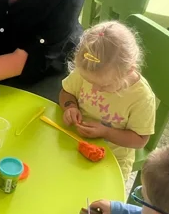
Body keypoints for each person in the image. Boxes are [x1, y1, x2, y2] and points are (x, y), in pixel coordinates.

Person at [59, 21, 156, 179]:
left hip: (112, 160)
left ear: (128, 71)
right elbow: (67, 92)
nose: (95, 89)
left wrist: (106, 132)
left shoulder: (141, 97)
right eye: (89, 82)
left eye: (104, 85)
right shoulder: (89, 69)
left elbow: (140, 140)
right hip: (73, 142)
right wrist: (70, 107)